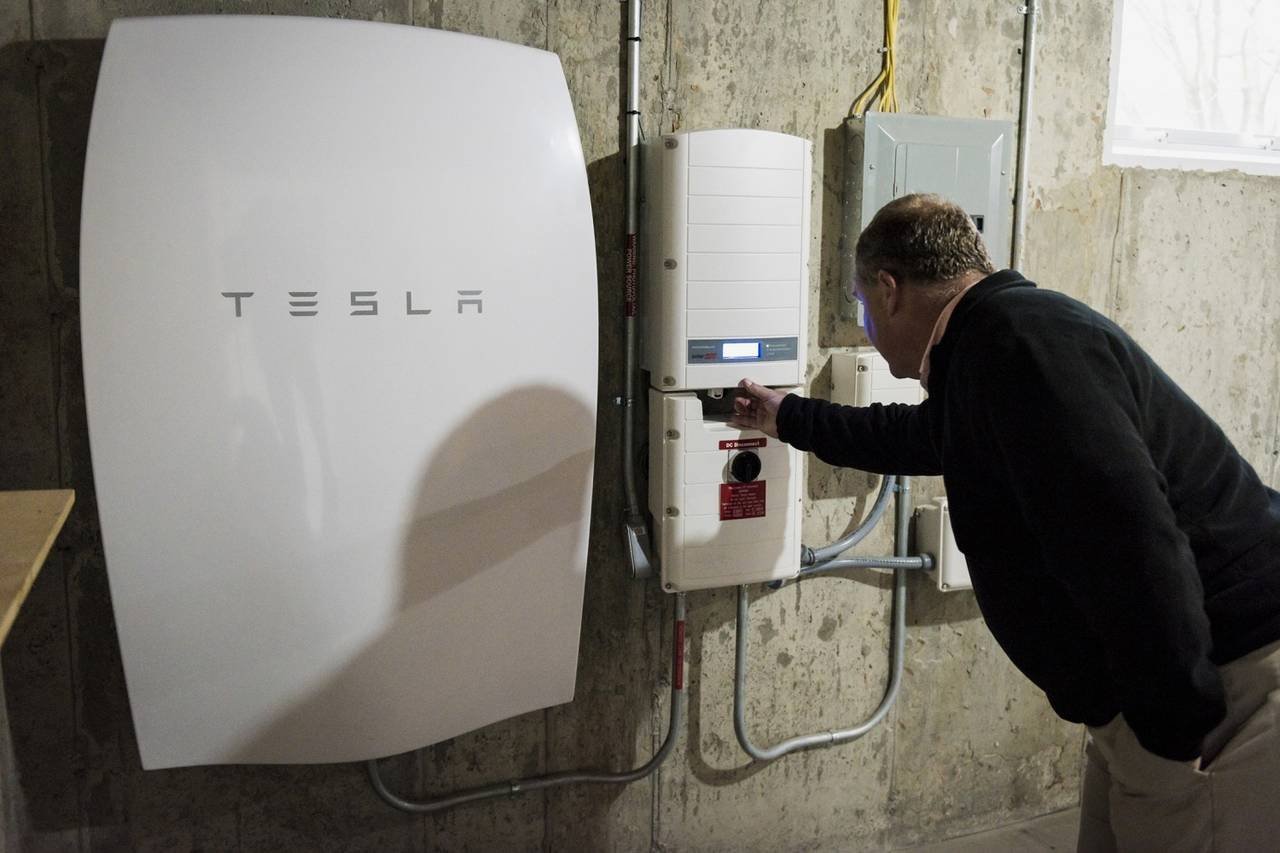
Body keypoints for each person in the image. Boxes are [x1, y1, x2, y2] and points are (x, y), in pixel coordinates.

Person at [731, 194, 1280, 852]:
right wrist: (785, 416)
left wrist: (1172, 730)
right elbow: (919, 435)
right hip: (1151, 693)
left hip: (1222, 684)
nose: (867, 323)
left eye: (862, 306)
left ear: (889, 287)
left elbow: (1134, 543)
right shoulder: (989, 349)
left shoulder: (1023, 347)